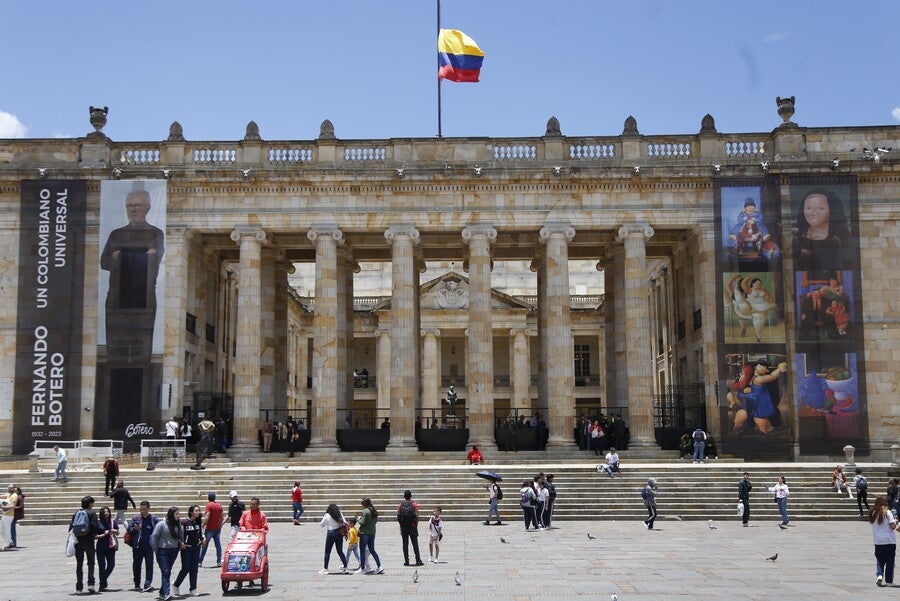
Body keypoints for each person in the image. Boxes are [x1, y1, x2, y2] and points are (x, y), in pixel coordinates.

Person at [100, 189, 165, 359]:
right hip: (116, 298)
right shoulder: (116, 234)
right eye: (129, 205)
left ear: (148, 207)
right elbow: (104, 262)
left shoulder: (156, 233)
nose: (133, 209)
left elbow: (154, 261)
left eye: (137, 205)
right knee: (114, 351)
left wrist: (120, 256)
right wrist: (143, 257)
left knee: (142, 353)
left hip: (144, 299)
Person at [792, 188, 851, 271]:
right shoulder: (797, 239)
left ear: (831, 210)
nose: (813, 213)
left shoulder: (840, 239)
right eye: (808, 208)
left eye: (820, 208)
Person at [151, 507, 183, 601]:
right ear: (171, 514)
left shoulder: (178, 524)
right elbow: (154, 537)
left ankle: (162, 591)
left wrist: (180, 544)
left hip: (173, 550)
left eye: (179, 513)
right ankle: (166, 593)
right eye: (176, 514)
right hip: (162, 551)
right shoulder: (162, 524)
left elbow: (180, 536)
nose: (178, 515)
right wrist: (156, 550)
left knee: (167, 571)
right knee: (165, 571)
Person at [69, 495, 100, 594]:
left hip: (78, 541)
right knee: (91, 563)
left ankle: (79, 587)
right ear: (90, 504)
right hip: (89, 541)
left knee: (79, 564)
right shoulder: (92, 513)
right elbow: (95, 527)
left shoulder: (76, 513)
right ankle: (91, 584)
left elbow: (71, 528)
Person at [127, 500, 158, 592]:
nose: (142, 511)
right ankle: (137, 583)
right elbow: (129, 528)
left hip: (149, 546)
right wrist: (134, 528)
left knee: (149, 565)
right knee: (136, 565)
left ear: (148, 509)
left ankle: (148, 583)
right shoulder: (136, 518)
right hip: (137, 545)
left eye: (144, 509)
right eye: (140, 509)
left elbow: (158, 530)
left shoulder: (153, 519)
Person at [173, 505, 203, 596]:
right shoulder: (185, 522)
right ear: (191, 512)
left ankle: (193, 589)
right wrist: (181, 542)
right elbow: (179, 534)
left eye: (199, 511)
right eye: (196, 511)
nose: (198, 512)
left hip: (196, 548)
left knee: (194, 569)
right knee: (186, 568)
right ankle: (176, 584)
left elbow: (200, 533)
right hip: (187, 548)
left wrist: (202, 539)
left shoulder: (198, 521)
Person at [868, 496, 899, 587]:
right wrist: (896, 523)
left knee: (880, 560)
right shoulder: (888, 512)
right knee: (890, 562)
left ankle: (880, 575)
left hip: (878, 541)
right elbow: (893, 527)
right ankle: (889, 581)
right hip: (889, 540)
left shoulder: (872, 513)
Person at [318, 503, 349, 574]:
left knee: (327, 552)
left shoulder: (327, 515)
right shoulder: (340, 514)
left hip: (331, 533)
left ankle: (325, 568)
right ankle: (345, 567)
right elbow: (344, 522)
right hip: (339, 533)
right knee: (340, 551)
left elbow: (322, 524)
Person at [356, 498, 384, 574]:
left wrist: (358, 519)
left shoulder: (365, 511)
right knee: (372, 550)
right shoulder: (374, 511)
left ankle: (362, 568)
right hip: (372, 532)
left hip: (364, 533)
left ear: (364, 504)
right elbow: (375, 522)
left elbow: (362, 522)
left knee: (362, 551)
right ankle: (379, 566)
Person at [397, 489, 424, 566]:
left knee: (405, 544)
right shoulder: (414, 504)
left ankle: (406, 561)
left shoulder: (400, 505)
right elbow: (417, 516)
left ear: (404, 496)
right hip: (412, 526)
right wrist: (416, 525)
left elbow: (398, 516)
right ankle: (418, 560)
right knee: (415, 543)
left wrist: (401, 526)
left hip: (404, 527)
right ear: (411, 496)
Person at [95, 506, 119, 592]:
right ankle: (102, 585)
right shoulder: (98, 523)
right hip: (101, 547)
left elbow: (118, 532)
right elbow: (95, 536)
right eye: (104, 512)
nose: (106, 513)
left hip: (111, 547)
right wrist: (103, 535)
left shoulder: (112, 522)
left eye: (107, 511)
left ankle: (103, 580)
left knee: (111, 565)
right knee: (102, 566)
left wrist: (115, 531)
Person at [199, 492, 223, 568]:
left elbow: (207, 516)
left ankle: (200, 561)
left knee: (205, 545)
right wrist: (220, 525)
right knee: (218, 545)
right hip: (217, 528)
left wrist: (202, 525)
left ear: (208, 498)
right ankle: (219, 561)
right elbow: (221, 517)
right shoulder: (219, 505)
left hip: (209, 528)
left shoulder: (209, 505)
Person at [0, 484, 16, 549]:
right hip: (5, 514)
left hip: (9, 515)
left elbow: (13, 506)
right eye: (9, 487)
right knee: (1, 529)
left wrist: (3, 507)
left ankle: (8, 543)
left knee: (7, 529)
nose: (10, 489)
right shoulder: (8, 494)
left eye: (11, 488)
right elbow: (2, 496)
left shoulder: (14, 496)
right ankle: (9, 542)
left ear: (14, 488)